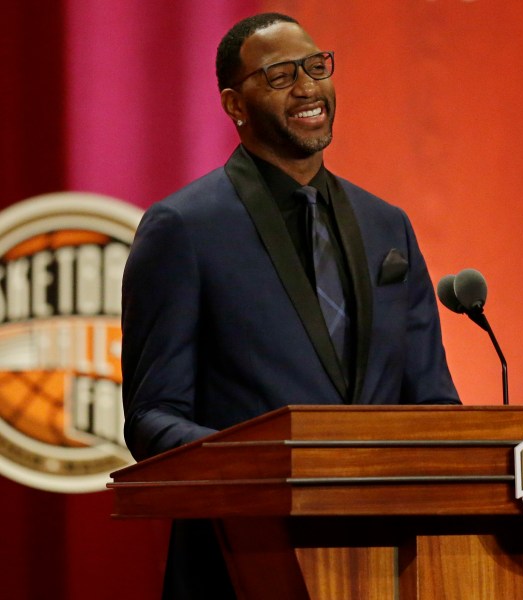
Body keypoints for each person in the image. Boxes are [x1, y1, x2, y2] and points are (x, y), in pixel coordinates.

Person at [121, 12, 460, 599]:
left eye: (315, 66)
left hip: (389, 561)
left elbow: (432, 401)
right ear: (235, 104)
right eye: (279, 75)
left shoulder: (389, 227)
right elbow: (152, 416)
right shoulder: (183, 228)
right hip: (242, 561)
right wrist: (263, 467)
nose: (307, 87)